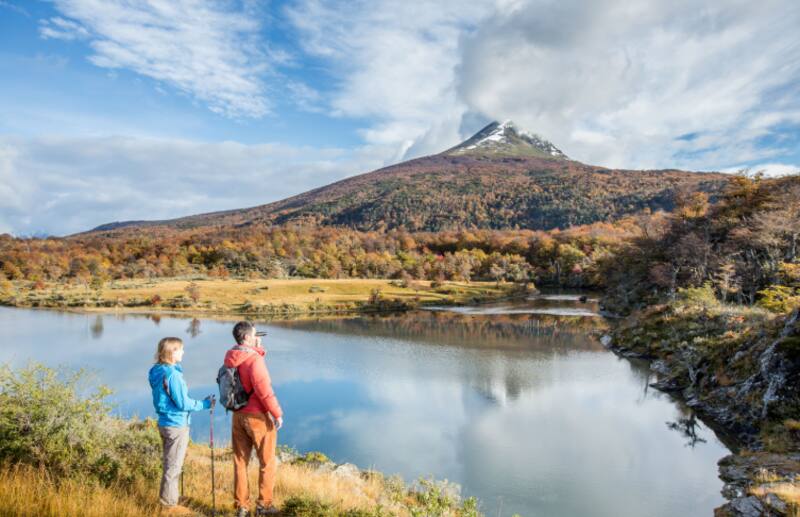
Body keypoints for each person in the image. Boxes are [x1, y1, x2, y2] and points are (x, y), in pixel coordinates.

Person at [148, 337, 214, 516]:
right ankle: (168, 506)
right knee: (173, 467)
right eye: (181, 350)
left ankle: (171, 498)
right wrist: (206, 404)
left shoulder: (157, 371)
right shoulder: (172, 375)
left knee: (171, 463)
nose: (183, 353)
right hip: (176, 425)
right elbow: (183, 403)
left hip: (165, 422)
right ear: (172, 352)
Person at [224, 321, 283, 517]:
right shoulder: (254, 360)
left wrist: (258, 349)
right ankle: (264, 506)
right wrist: (277, 414)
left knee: (240, 462)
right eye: (255, 335)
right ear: (248, 337)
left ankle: (242, 507)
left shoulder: (231, 356)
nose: (258, 337)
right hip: (257, 416)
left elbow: (244, 373)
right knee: (267, 462)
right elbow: (264, 390)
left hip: (237, 415)